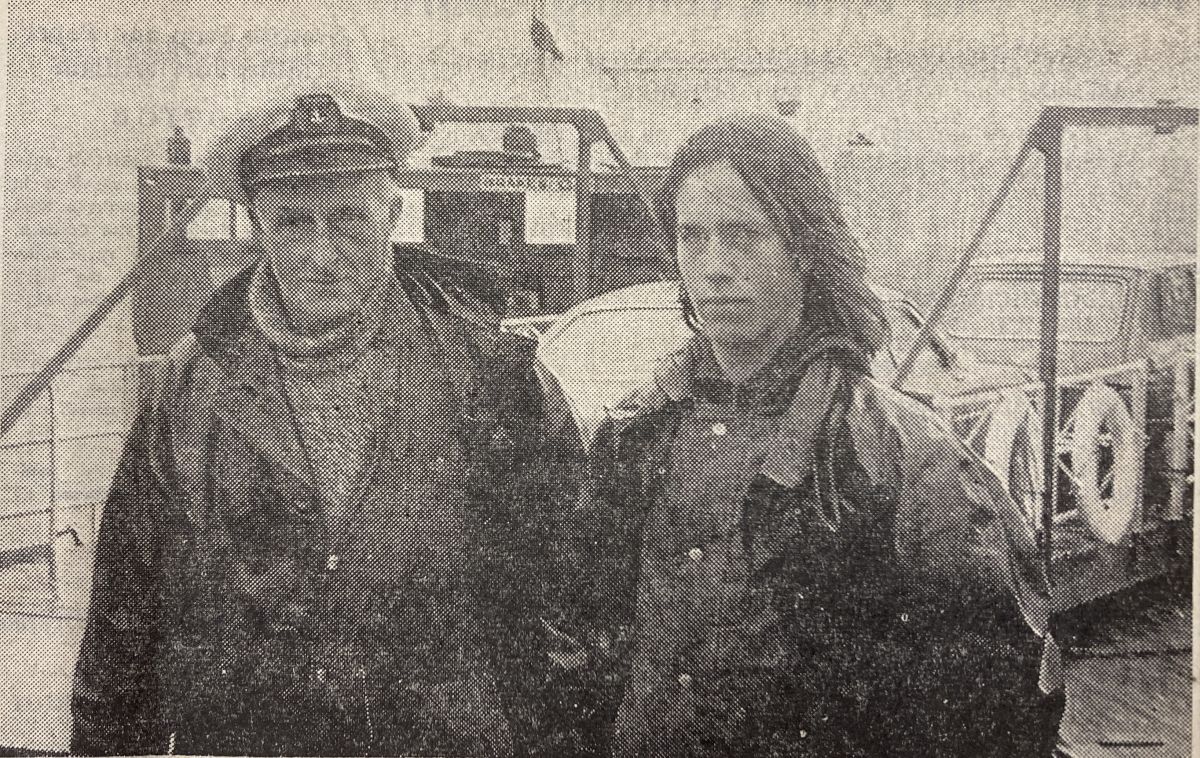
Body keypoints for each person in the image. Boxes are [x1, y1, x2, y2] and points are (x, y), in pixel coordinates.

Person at [70, 86, 583, 756]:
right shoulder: (188, 396)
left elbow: (559, 611)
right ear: (256, 224)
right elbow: (123, 629)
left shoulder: (490, 378)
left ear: (392, 213)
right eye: (292, 222)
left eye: (348, 218)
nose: (320, 253)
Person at [578, 116, 1065, 757]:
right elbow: (592, 644)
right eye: (692, 237)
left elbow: (1000, 700)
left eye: (743, 236)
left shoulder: (898, 457)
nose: (714, 268)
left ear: (805, 251)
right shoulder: (642, 438)